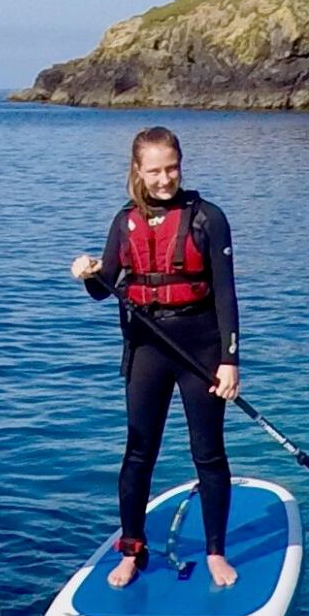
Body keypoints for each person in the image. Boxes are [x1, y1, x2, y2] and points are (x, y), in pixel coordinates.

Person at [71, 126, 242, 591]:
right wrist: (87, 274)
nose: (164, 179)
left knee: (207, 452)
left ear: (180, 165)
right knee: (138, 453)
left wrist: (230, 361)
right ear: (137, 171)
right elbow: (102, 288)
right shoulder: (123, 220)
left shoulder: (208, 218)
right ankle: (131, 549)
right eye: (154, 171)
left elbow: (226, 295)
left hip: (200, 348)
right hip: (147, 349)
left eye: (171, 168)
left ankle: (214, 551)